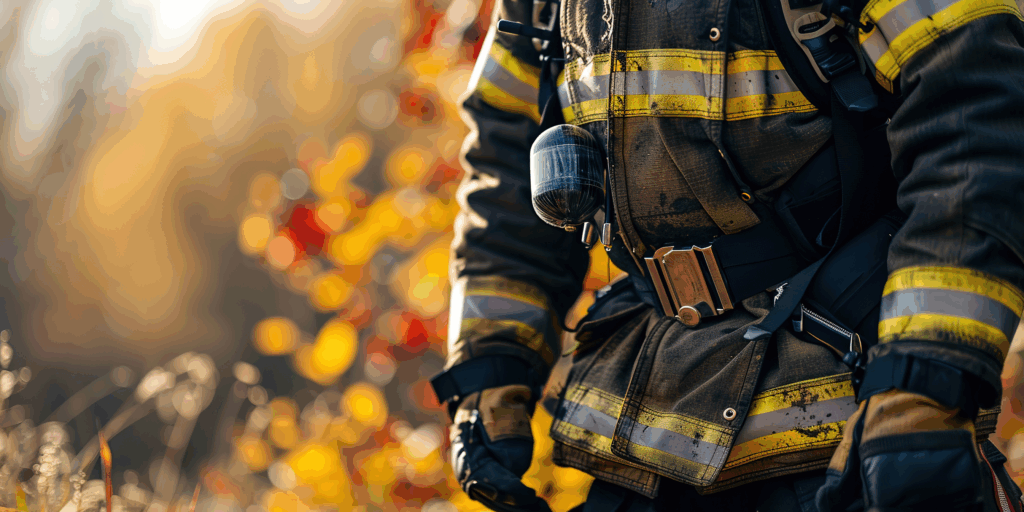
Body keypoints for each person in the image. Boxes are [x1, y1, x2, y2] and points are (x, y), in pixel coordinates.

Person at [429, 0, 1024, 509]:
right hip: (643, 441)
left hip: (851, 430)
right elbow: (510, 160)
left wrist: (923, 383)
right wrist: (490, 369)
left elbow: (978, 119)